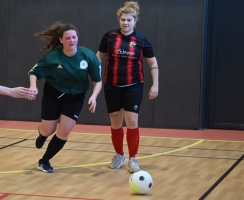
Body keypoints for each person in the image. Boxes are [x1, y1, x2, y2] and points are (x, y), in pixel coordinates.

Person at [28, 21, 102, 173]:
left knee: (64, 131)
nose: (72, 41)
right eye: (67, 38)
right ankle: (42, 134)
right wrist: (33, 86)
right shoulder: (52, 57)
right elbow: (34, 72)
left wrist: (94, 96)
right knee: (49, 129)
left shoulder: (88, 56)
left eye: (74, 37)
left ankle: (44, 160)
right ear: (61, 40)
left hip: (75, 97)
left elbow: (98, 81)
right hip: (53, 94)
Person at [96, 1, 159, 173]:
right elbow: (98, 57)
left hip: (134, 85)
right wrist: (93, 73)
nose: (125, 23)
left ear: (135, 21)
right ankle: (119, 154)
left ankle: (132, 159)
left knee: (132, 121)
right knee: (116, 122)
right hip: (112, 86)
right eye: (123, 20)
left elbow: (152, 63)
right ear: (119, 20)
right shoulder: (109, 37)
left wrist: (156, 84)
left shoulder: (142, 40)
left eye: (129, 20)